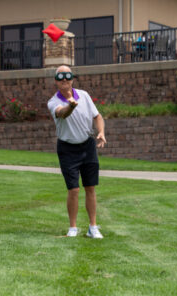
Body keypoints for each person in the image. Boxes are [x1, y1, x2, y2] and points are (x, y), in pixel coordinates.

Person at [47, 65, 106, 238]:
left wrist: (101, 132)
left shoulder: (85, 95)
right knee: (73, 189)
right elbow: (62, 113)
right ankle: (73, 227)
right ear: (56, 81)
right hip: (67, 148)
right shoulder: (53, 101)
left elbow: (98, 117)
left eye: (67, 75)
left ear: (72, 78)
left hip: (87, 145)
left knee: (90, 187)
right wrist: (71, 105)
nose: (64, 79)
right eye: (60, 76)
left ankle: (93, 227)